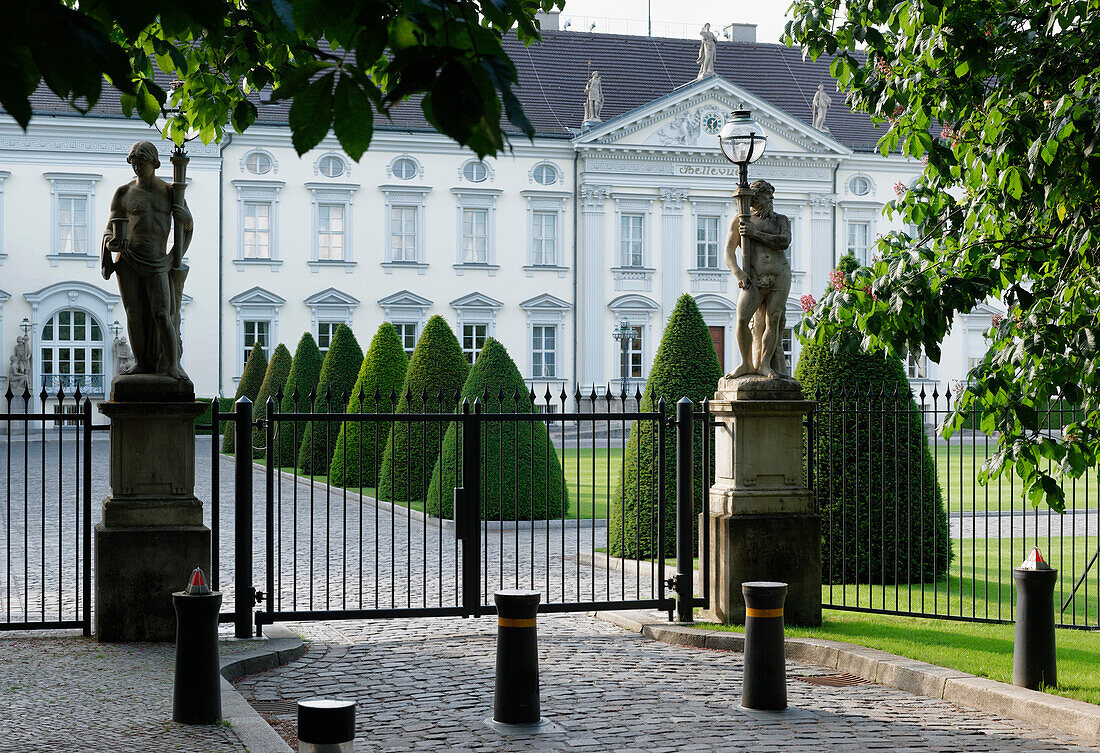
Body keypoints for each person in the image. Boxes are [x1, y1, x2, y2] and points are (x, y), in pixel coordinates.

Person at [100, 141, 192, 380]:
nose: (138, 167)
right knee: (134, 313)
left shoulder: (171, 191)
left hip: (157, 261)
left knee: (163, 314)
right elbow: (109, 229)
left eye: (142, 162)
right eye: (134, 163)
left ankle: (172, 365)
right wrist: (111, 244)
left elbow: (186, 228)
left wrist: (178, 249)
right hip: (128, 260)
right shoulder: (124, 193)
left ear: (155, 163)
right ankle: (141, 362)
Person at [724, 180, 793, 378]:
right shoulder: (741, 219)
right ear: (754, 197)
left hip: (780, 275)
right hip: (752, 278)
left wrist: (756, 234)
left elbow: (784, 242)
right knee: (742, 319)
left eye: (771, 194)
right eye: (766, 194)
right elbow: (728, 251)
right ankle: (746, 363)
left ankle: (764, 365)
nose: (771, 198)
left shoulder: (781, 220)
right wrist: (738, 273)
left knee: (773, 319)